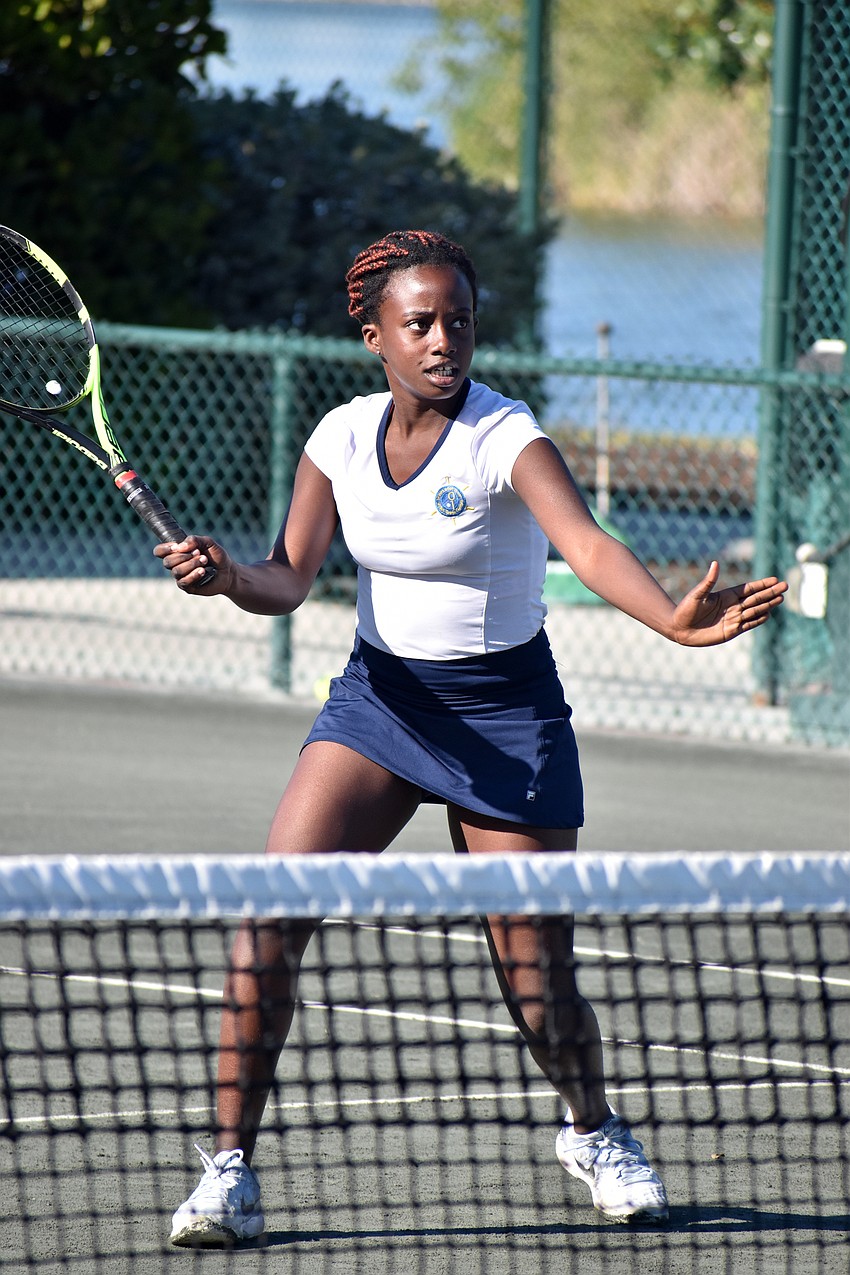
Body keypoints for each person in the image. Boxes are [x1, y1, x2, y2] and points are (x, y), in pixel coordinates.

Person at [159, 229, 787, 1247]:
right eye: (420, 323)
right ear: (373, 337)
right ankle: (227, 1171)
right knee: (268, 916)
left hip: (507, 718)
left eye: (459, 320)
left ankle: (592, 1131)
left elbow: (584, 542)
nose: (445, 340)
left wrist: (670, 617)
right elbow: (285, 577)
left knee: (535, 975)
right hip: (380, 705)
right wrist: (229, 577)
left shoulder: (505, 438)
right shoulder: (339, 439)